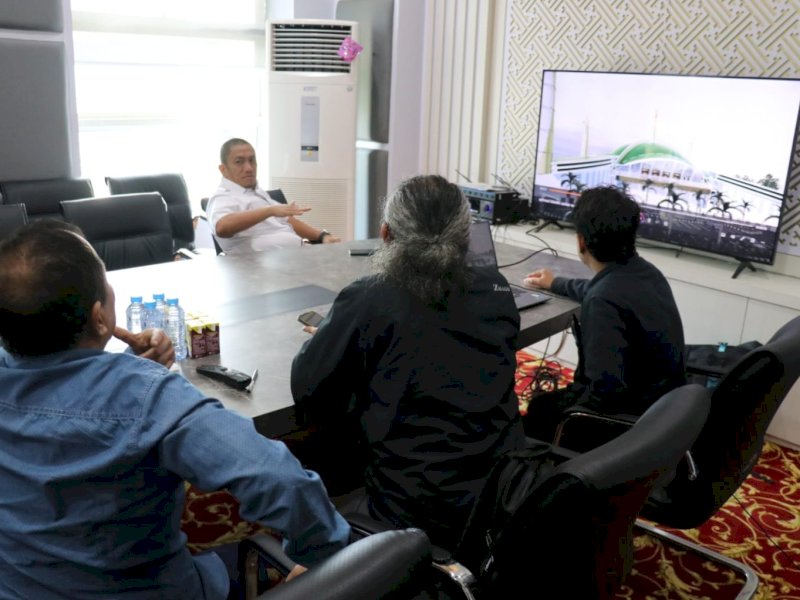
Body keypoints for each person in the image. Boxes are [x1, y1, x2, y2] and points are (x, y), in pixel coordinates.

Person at [0, 220, 349, 600]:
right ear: (99, 316)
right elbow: (280, 481)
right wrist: (324, 563)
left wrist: (126, 364)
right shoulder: (146, 396)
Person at [291, 174, 525, 549]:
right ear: (466, 237)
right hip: (500, 489)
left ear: (385, 234)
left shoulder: (370, 297)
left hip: (414, 506)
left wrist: (331, 341)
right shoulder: (494, 288)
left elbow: (308, 391)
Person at [521, 185, 686, 441]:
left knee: (539, 410)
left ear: (581, 241)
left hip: (628, 426)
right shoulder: (646, 273)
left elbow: (604, 394)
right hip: (663, 411)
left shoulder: (603, 301)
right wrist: (556, 283)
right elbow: (598, 288)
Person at [207, 138, 342, 254]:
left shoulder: (257, 193)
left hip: (297, 257)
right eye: (239, 162)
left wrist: (322, 236)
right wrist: (269, 211)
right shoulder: (222, 197)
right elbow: (221, 227)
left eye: (252, 160)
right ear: (223, 169)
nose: (249, 168)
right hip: (259, 272)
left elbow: (287, 220)